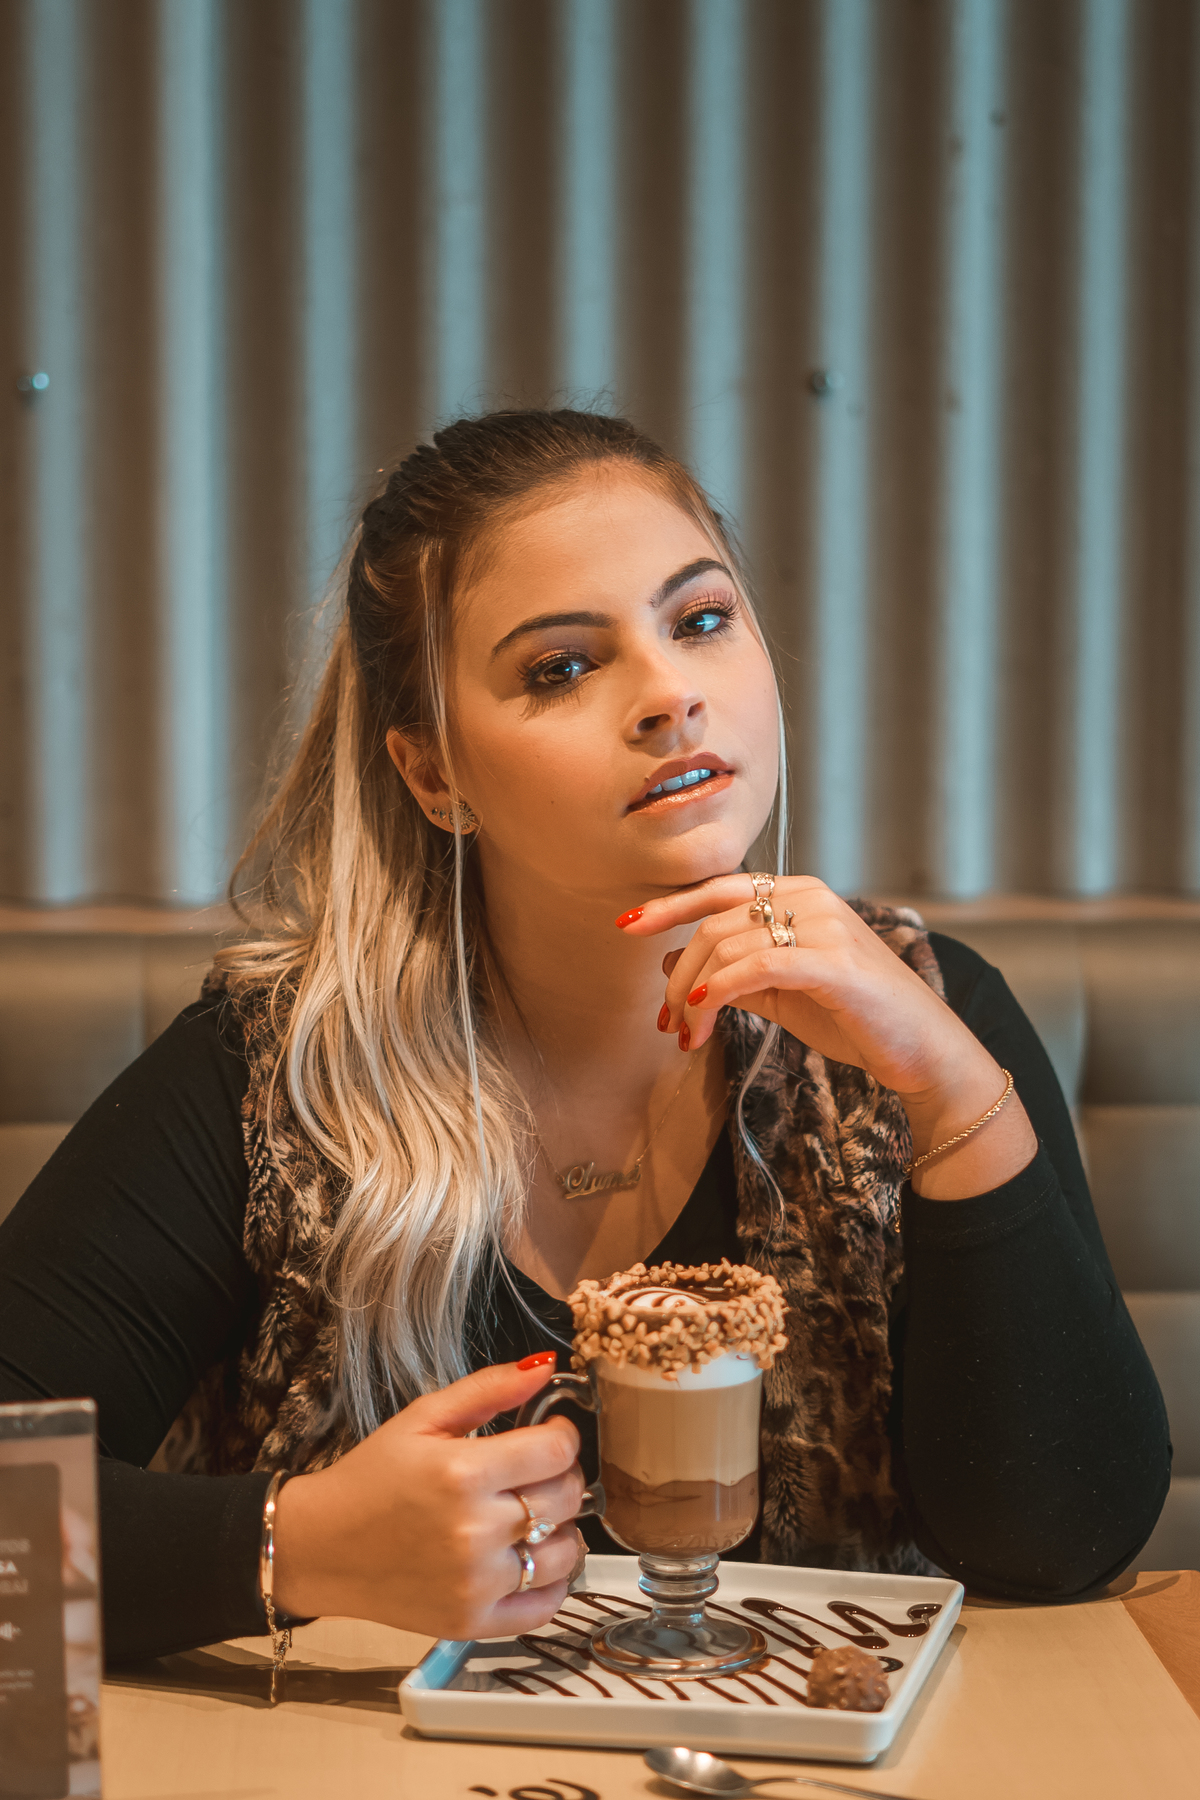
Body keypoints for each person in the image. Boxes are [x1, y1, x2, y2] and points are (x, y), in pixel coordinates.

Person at [0, 410, 1169, 1666]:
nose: (670, 694)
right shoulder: (280, 1071)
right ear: (435, 776)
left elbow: (1062, 1541)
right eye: (560, 667)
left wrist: (945, 1084)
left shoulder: (936, 1018)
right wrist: (295, 1548)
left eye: (702, 619)